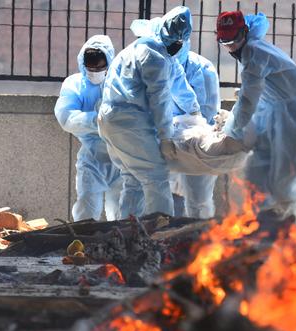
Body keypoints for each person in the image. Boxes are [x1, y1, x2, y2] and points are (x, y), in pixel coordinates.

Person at [216, 10, 296, 226]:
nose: (231, 48)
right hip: (275, 115)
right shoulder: (250, 49)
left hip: (294, 118)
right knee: (257, 172)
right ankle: (264, 227)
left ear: (244, 32)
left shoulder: (253, 52)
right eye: (225, 44)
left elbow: (248, 100)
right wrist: (233, 122)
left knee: (284, 182)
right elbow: (253, 93)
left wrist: (232, 132)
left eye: (234, 41)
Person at [98, 6, 201, 218]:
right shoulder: (153, 56)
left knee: (134, 180)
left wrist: (196, 114)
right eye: (175, 40)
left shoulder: (146, 51)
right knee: (156, 177)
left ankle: (129, 236)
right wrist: (166, 137)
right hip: (130, 124)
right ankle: (160, 239)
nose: (177, 44)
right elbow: (160, 99)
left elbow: (181, 87)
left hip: (112, 123)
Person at [130, 13, 220, 219]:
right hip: (165, 143)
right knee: (165, 204)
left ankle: (203, 246)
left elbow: (205, 114)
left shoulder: (202, 68)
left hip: (196, 146)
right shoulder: (154, 63)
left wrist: (179, 131)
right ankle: (170, 247)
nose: (172, 47)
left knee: (199, 201)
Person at [54, 35, 122, 221]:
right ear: (83, 64)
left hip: (122, 157)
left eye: (100, 67)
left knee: (123, 216)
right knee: (87, 211)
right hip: (92, 159)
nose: (95, 72)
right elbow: (66, 117)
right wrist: (99, 120)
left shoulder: (119, 84)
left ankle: (120, 249)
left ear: (109, 62)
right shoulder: (75, 85)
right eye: (90, 68)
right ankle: (84, 248)